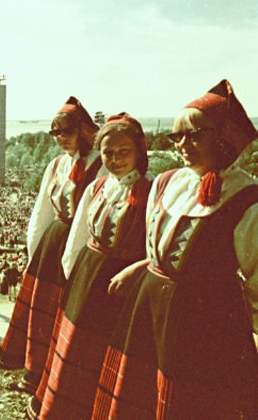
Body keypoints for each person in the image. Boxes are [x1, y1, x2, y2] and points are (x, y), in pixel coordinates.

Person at [94, 80, 258, 419]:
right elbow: (164, 249)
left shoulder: (246, 198)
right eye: (176, 136)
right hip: (150, 310)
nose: (182, 145)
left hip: (205, 324)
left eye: (194, 134)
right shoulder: (169, 182)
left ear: (224, 137)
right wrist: (143, 267)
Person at [27, 113, 152, 419]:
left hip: (121, 285)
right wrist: (73, 279)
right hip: (88, 277)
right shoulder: (97, 187)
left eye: (124, 152)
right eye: (108, 153)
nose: (115, 159)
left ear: (139, 152)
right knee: (77, 349)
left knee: (108, 352)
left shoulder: (151, 192)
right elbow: (77, 237)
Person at [0, 97, 106, 394]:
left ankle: (60, 378)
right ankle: (34, 371)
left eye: (65, 132)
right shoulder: (56, 165)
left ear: (83, 130)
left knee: (68, 315)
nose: (60, 139)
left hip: (82, 248)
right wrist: (34, 252)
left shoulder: (103, 166)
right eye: (54, 134)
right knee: (42, 312)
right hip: (53, 244)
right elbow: (41, 211)